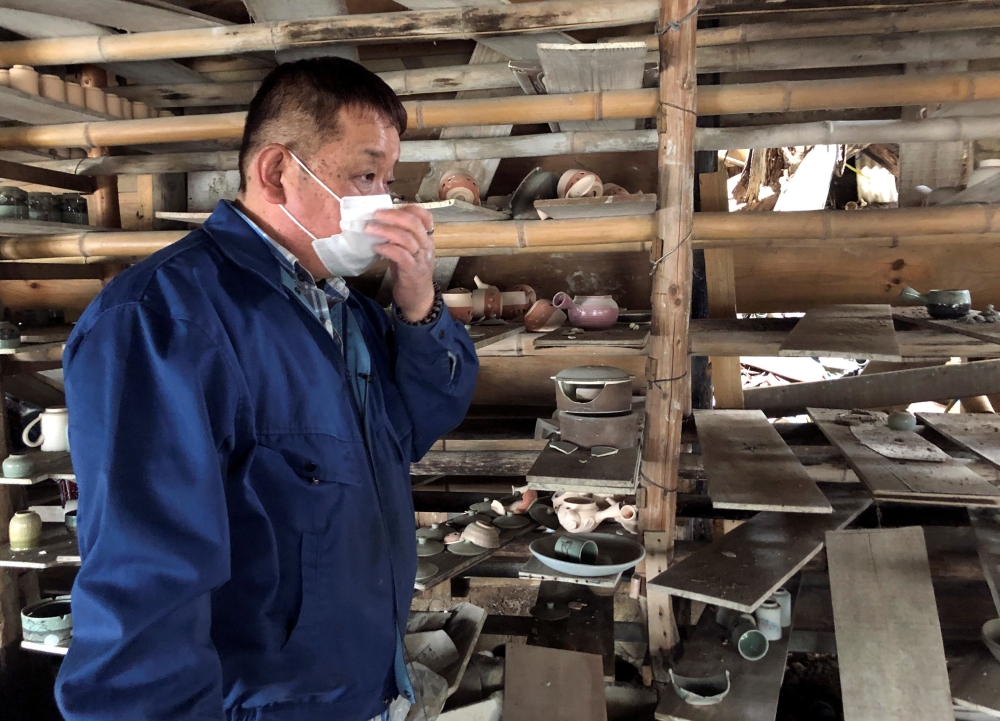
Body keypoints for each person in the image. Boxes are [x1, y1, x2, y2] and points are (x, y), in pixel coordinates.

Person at [56, 57, 479, 721]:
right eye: (364, 174)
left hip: (361, 689)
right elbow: (144, 600)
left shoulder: (347, 310)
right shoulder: (159, 321)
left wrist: (419, 303)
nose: (385, 199)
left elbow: (418, 424)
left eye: (388, 179)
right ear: (278, 172)